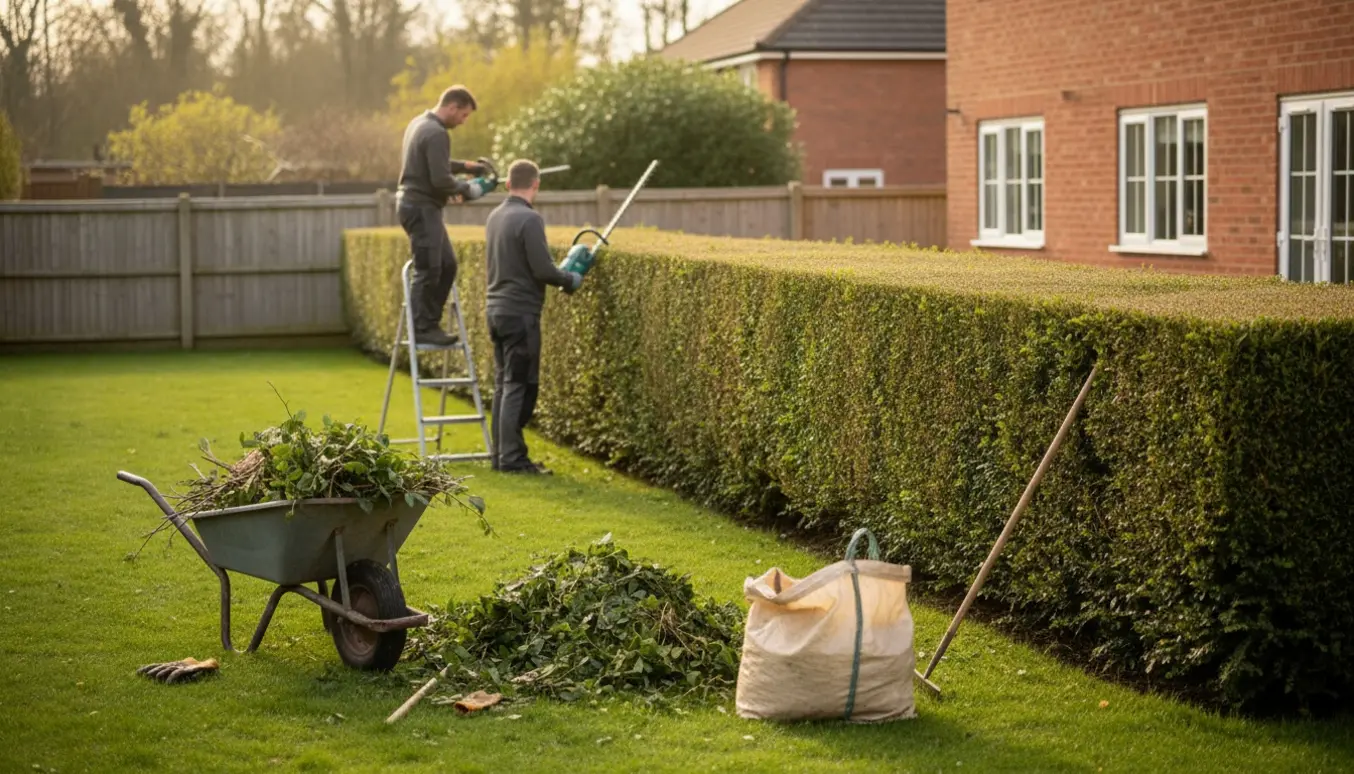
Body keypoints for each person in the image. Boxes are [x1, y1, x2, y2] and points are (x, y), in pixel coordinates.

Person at [483, 160, 584, 474]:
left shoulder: (495, 216)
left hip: (495, 311)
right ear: (535, 184)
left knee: (503, 384)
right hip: (520, 314)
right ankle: (512, 459)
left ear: (507, 183)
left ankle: (502, 455)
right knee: (519, 385)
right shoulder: (529, 219)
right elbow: (542, 269)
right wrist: (570, 279)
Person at [395, 85, 489, 348]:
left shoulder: (419, 124)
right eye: (464, 115)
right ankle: (422, 328)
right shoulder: (437, 133)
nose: (463, 121)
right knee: (428, 269)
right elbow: (440, 179)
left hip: (417, 206)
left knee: (447, 264)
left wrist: (468, 167)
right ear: (452, 107)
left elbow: (436, 163)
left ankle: (429, 323)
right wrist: (467, 189)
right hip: (421, 207)